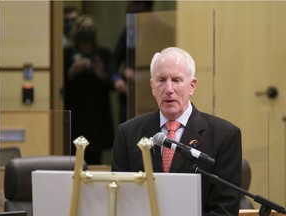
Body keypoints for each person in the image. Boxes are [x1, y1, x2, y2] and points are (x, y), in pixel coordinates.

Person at [111, 47, 242, 215]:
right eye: (161, 80)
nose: (169, 89)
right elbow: (120, 200)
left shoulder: (224, 135)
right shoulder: (127, 133)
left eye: (177, 80)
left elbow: (225, 209)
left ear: (192, 86)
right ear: (152, 86)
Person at [64, 15, 114, 165]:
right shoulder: (66, 54)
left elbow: (111, 81)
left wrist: (101, 73)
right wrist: (73, 71)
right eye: (83, 28)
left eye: (90, 28)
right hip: (75, 112)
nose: (87, 32)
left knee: (94, 158)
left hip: (96, 113)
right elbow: (59, 86)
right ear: (76, 31)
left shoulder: (103, 54)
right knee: (73, 157)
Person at [109, 0, 154, 123]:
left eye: (135, 4)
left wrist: (140, 76)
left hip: (151, 94)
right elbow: (114, 60)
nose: (129, 8)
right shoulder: (129, 31)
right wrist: (116, 79)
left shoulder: (161, 29)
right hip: (129, 94)